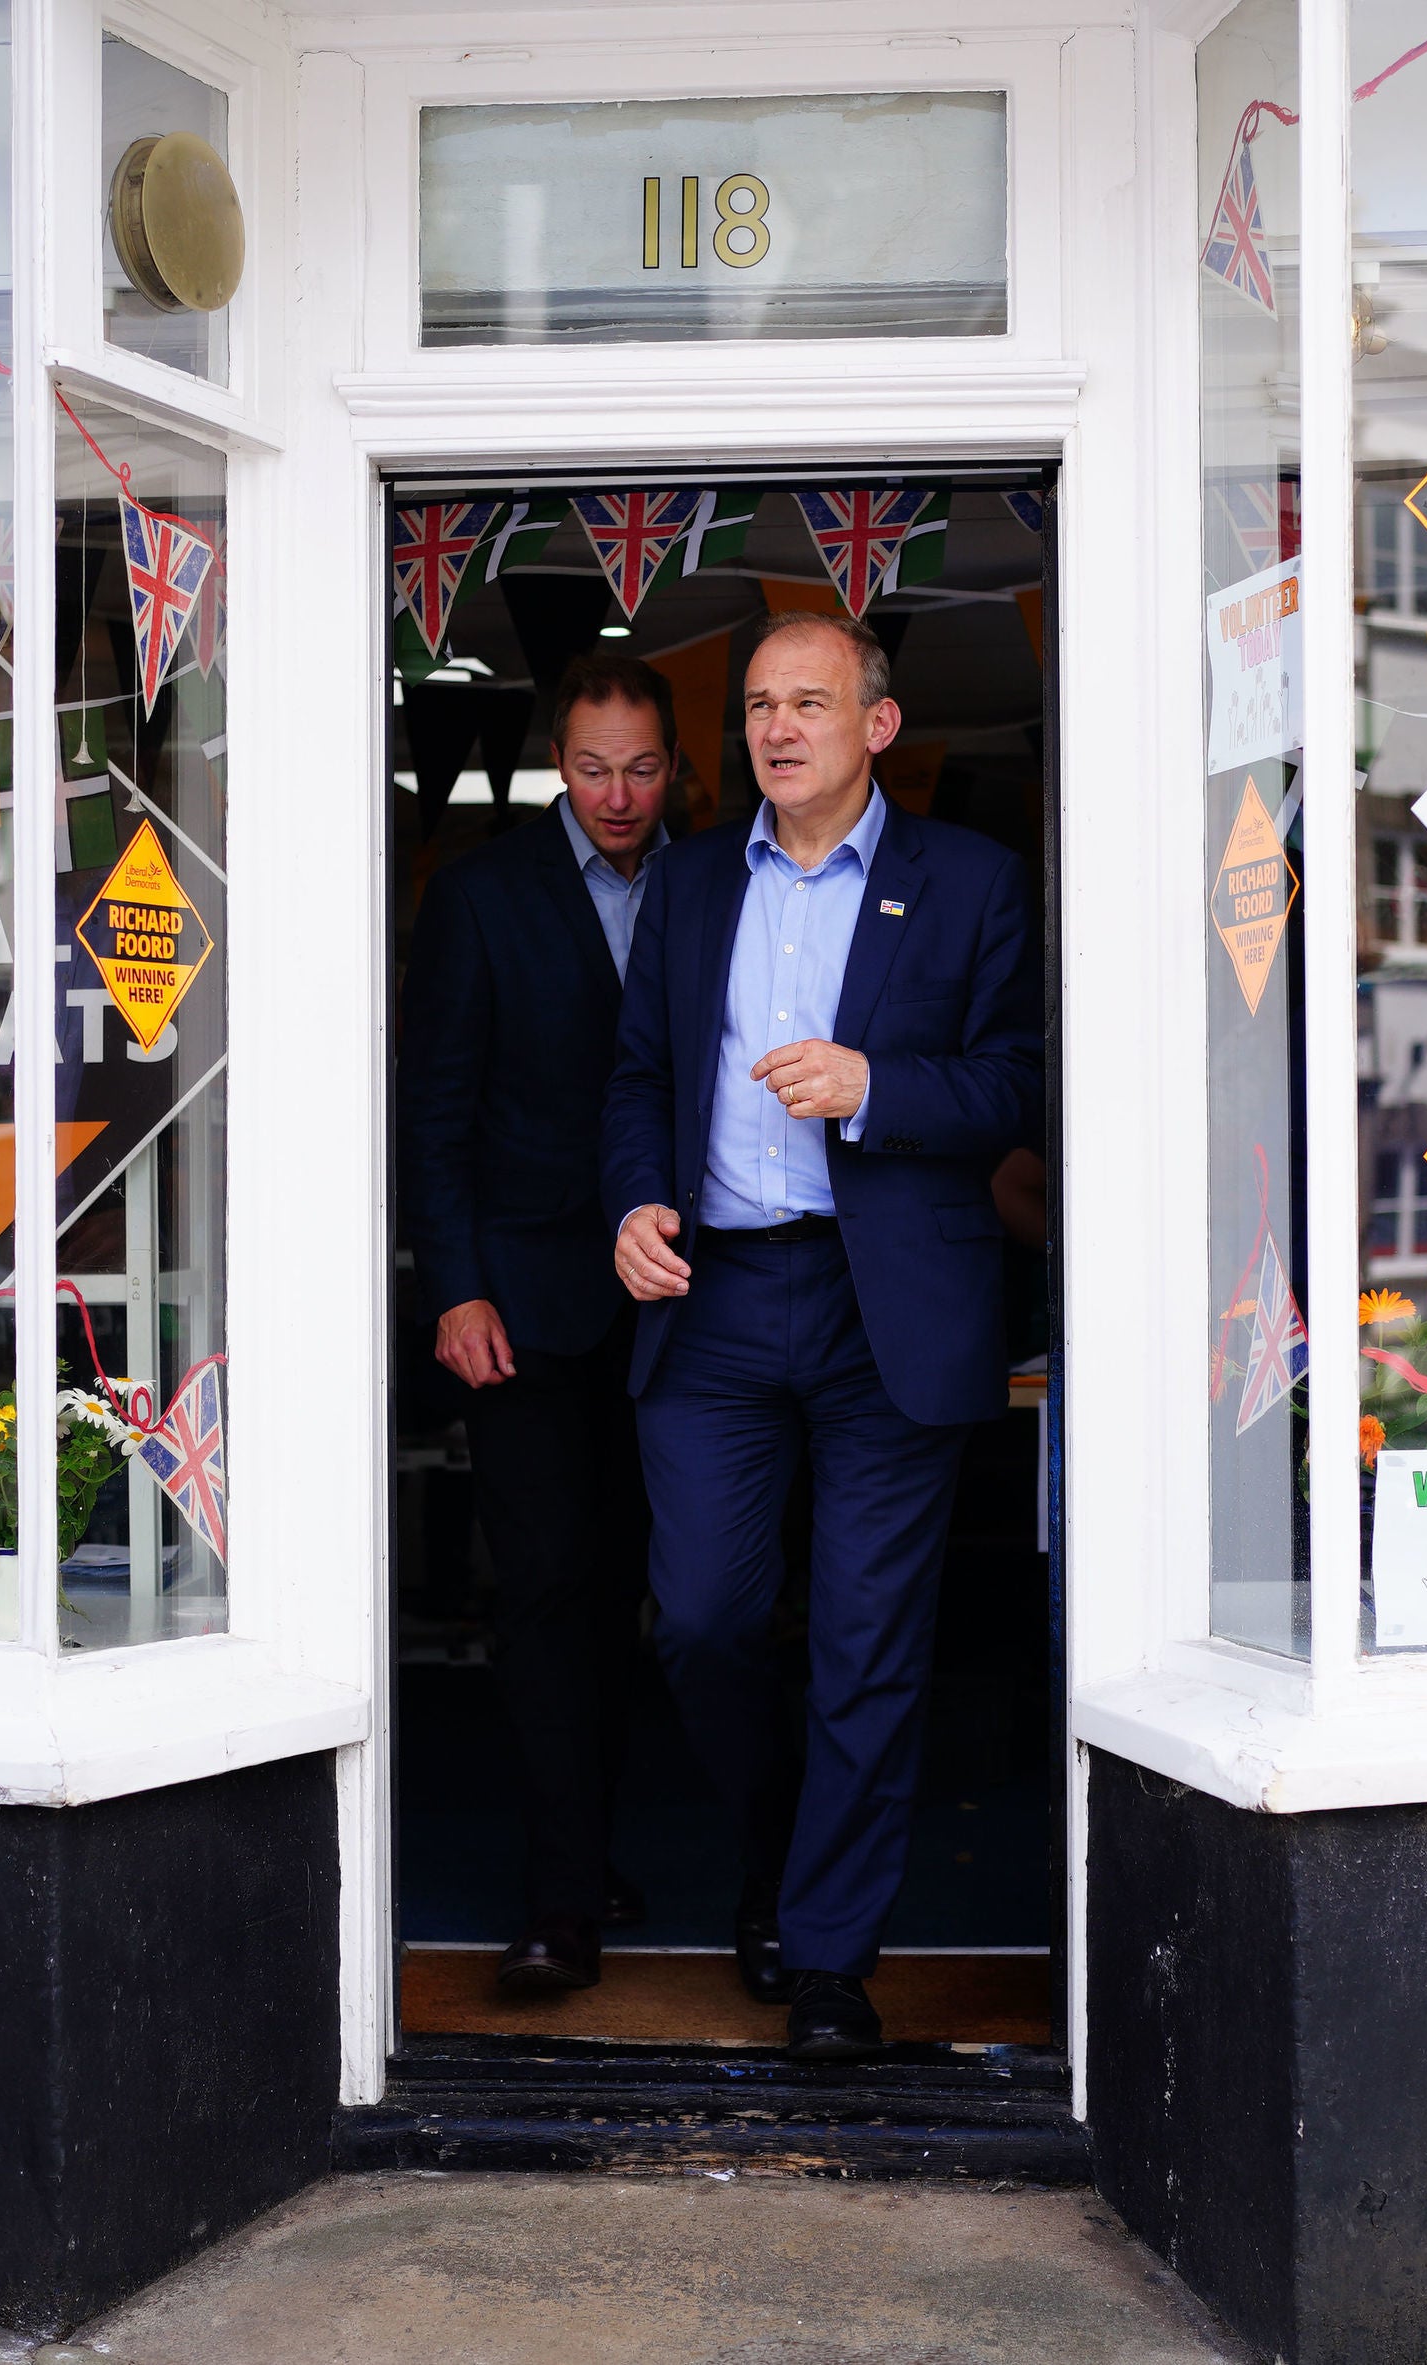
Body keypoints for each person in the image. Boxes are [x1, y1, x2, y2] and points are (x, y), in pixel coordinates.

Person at [602, 609, 1044, 2061]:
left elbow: (1012, 1090)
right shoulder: (690, 888)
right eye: (758, 704)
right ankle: (787, 1851)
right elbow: (641, 1075)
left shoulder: (970, 882)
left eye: (810, 701)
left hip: (885, 1311)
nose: (778, 726)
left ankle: (832, 1954)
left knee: (867, 1642)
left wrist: (871, 1082)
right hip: (716, 1299)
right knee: (706, 1621)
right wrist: (633, 1203)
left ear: (879, 727)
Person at [399, 650, 681, 1997]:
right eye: (591, 767)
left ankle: (597, 1844)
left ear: (674, 765)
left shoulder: (722, 883)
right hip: (519, 1306)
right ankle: (560, 1895)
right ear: (553, 763)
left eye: (640, 767)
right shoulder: (480, 896)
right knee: (551, 1592)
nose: (616, 795)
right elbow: (435, 1110)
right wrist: (451, 1284)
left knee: (658, 1598)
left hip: (693, 1304)